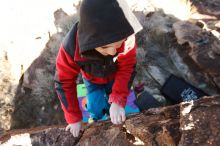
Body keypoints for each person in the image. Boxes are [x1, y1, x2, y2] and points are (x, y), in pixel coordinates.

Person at [54, 0, 142, 137]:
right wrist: (74, 118)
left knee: (116, 106)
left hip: (115, 76)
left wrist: (118, 99)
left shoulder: (126, 34)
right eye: (104, 47)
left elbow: (127, 66)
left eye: (118, 44)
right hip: (92, 80)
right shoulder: (71, 47)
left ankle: (111, 101)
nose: (113, 52)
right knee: (96, 108)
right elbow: (64, 81)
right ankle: (93, 110)